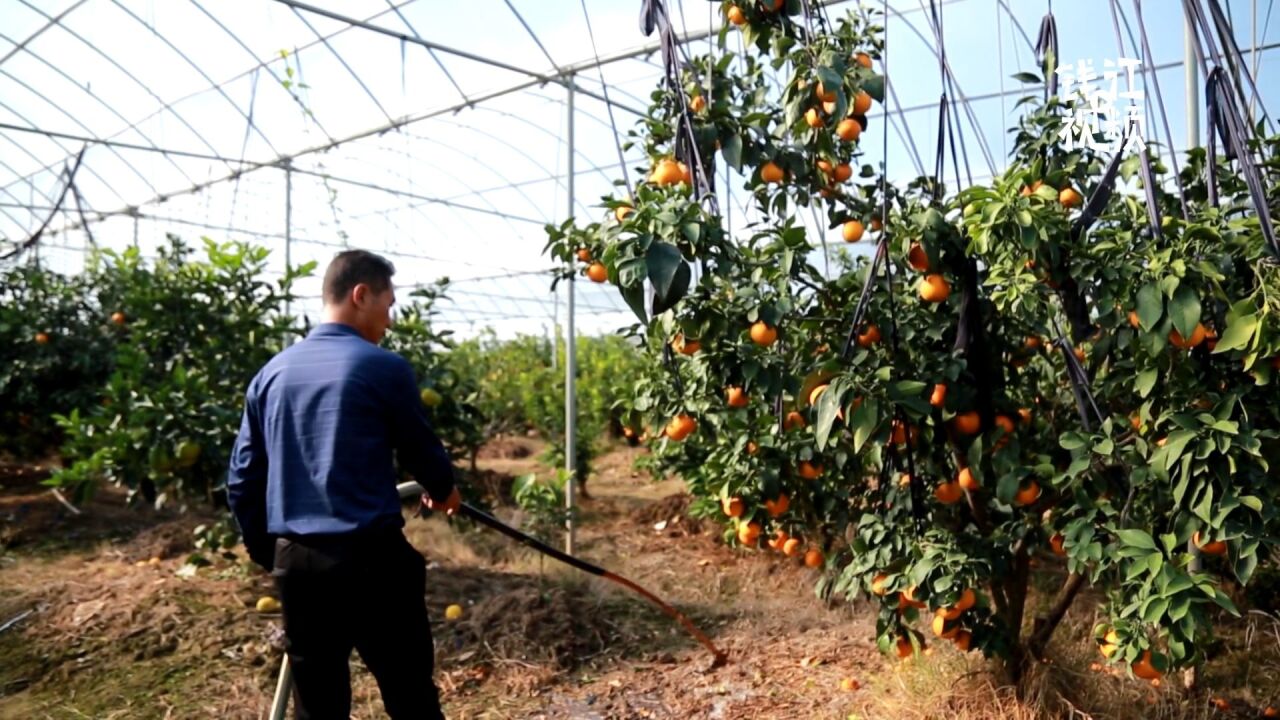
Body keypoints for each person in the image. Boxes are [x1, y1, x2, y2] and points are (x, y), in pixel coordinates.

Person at [227, 249, 459, 720]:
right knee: (409, 693)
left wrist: (271, 553)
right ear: (360, 295)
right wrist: (444, 489)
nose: (389, 320)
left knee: (317, 705)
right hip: (372, 560)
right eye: (388, 305)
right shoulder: (381, 367)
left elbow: (242, 479)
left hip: (300, 565)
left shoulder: (270, 374)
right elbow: (420, 448)